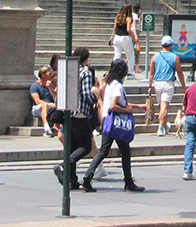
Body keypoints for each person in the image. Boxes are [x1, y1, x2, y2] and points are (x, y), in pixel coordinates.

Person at [80, 58, 144, 192]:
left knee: (103, 151)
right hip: (116, 123)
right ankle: (128, 182)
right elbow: (114, 106)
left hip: (107, 121)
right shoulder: (118, 86)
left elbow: (112, 103)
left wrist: (137, 106)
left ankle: (87, 177)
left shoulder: (109, 84)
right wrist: (128, 110)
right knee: (125, 152)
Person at [53, 47, 97, 191]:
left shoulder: (67, 72)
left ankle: (71, 180)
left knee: (72, 146)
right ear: (85, 59)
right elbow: (86, 93)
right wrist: (94, 98)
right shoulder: (85, 72)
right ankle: (63, 166)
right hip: (80, 113)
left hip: (67, 113)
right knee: (85, 147)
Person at [149, 34, 186, 135]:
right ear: (171, 45)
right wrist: (183, 86)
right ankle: (161, 127)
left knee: (162, 106)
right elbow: (180, 73)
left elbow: (151, 73)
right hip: (168, 84)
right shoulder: (175, 57)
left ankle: (164, 125)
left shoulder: (155, 57)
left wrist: (150, 86)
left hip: (157, 83)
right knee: (164, 106)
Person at [111, 4, 139, 77]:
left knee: (117, 55)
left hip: (117, 37)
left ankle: (114, 71)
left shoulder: (118, 17)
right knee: (130, 56)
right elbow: (128, 29)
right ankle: (130, 73)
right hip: (125, 38)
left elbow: (115, 27)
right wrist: (134, 37)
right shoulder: (128, 18)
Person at [31, 65, 58, 137]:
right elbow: (37, 101)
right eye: (49, 74)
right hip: (37, 108)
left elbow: (55, 98)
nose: (51, 75)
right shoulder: (35, 86)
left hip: (50, 107)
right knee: (44, 105)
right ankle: (46, 128)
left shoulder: (50, 85)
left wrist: (50, 88)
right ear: (43, 75)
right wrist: (49, 104)